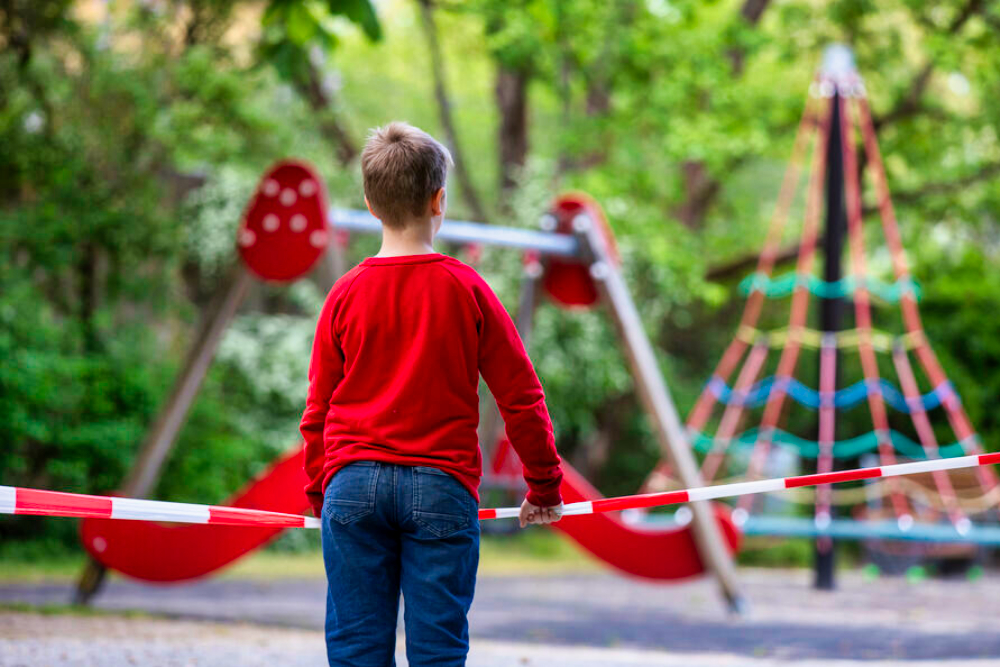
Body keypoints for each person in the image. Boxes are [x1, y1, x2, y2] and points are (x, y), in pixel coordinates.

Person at [299, 121, 565, 667]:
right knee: (438, 652)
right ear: (440, 200)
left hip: (352, 484)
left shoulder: (344, 294)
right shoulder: (467, 289)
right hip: (441, 488)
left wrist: (318, 493)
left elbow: (318, 410)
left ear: (370, 204)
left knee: (354, 649)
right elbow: (521, 398)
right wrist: (544, 484)